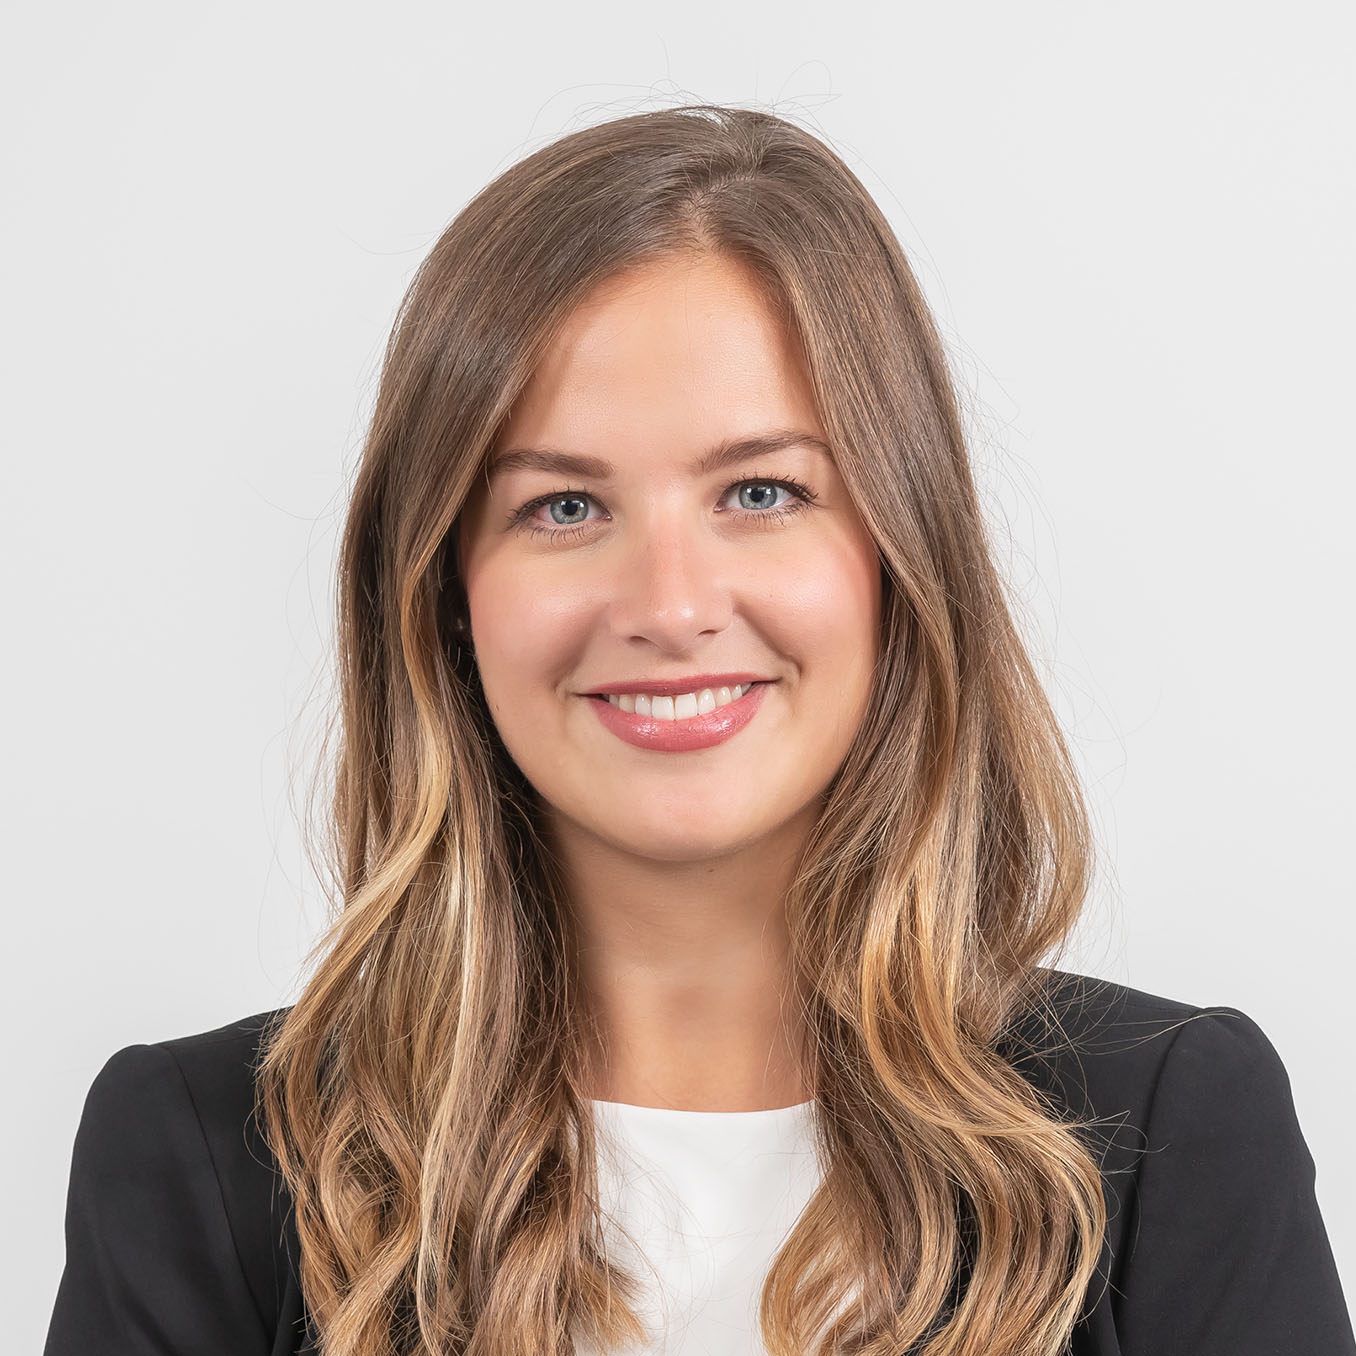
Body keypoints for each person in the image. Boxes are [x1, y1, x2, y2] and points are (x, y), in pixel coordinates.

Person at [43, 103, 1354, 1356]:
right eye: (562, 508)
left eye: (763, 490)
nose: (669, 608)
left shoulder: (1173, 1139)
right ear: (446, 595)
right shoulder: (204, 1164)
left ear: (901, 558)